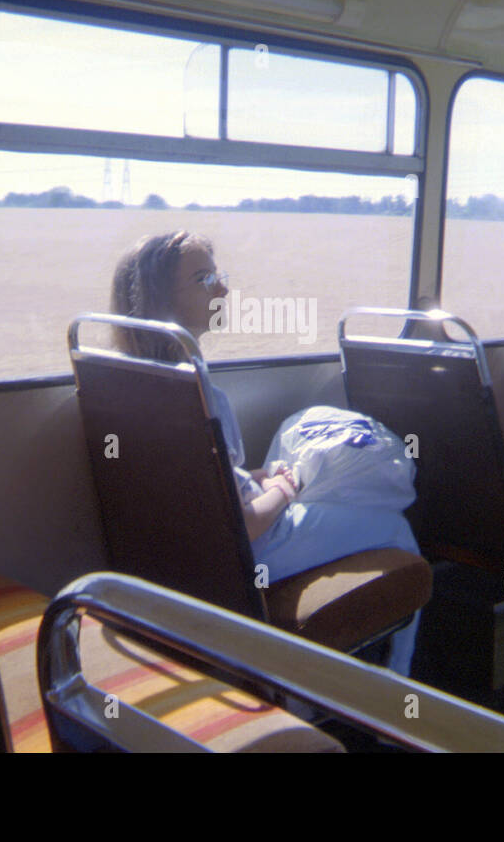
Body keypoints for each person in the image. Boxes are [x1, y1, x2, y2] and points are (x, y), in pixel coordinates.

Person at [109, 231, 421, 676]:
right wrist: (280, 488)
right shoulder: (198, 396)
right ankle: (400, 684)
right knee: (396, 529)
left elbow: (201, 488)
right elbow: (249, 524)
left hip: (185, 556)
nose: (223, 290)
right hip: (247, 555)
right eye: (204, 279)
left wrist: (253, 475)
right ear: (160, 298)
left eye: (219, 276)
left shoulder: (127, 381)